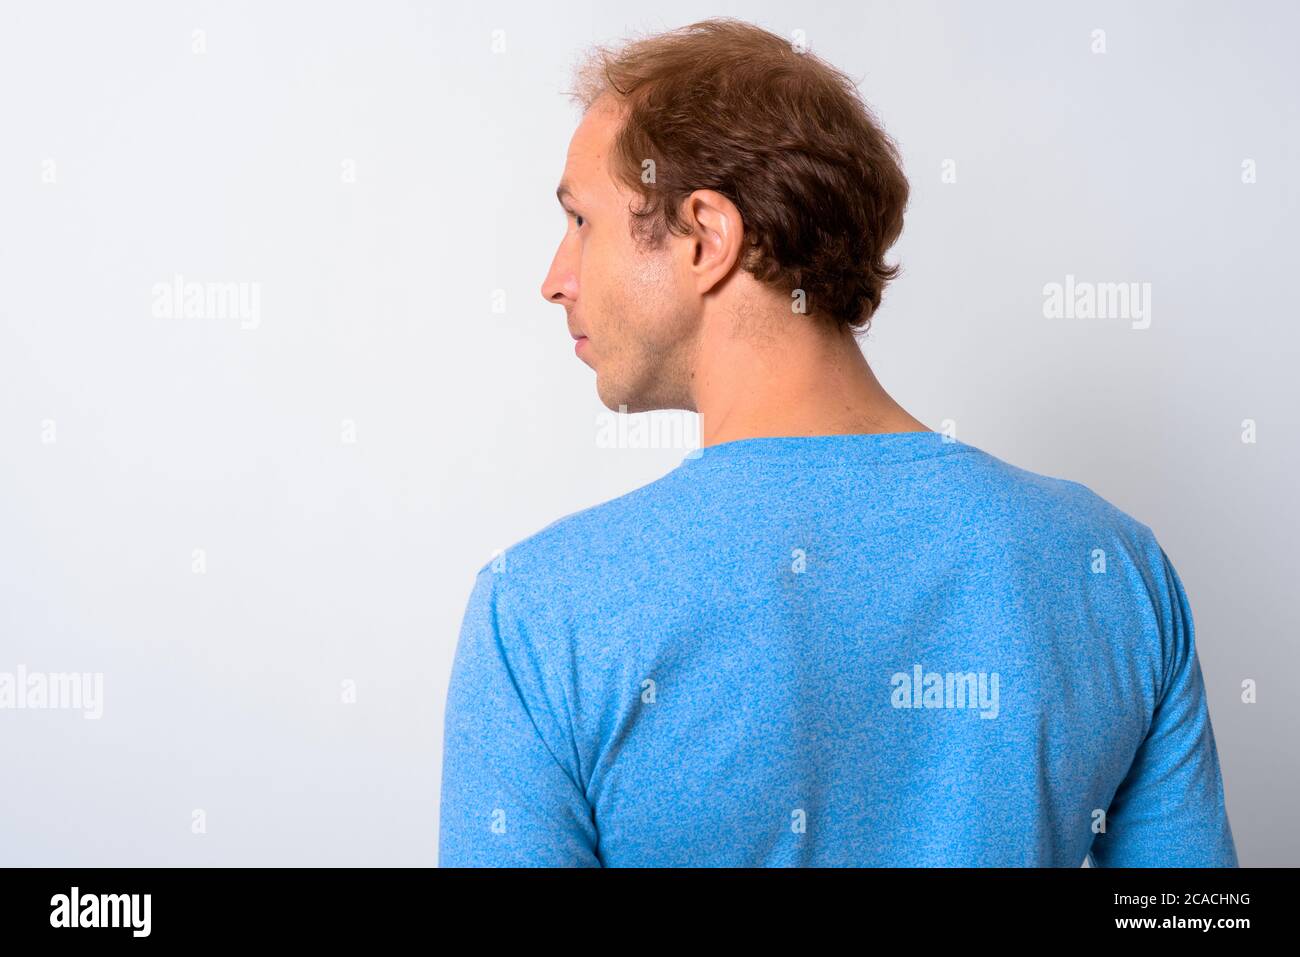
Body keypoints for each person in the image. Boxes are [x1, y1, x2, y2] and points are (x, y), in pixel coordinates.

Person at [438, 18, 1237, 867]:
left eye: (581, 221)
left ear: (706, 236)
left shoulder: (538, 611)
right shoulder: (1111, 568)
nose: (554, 279)